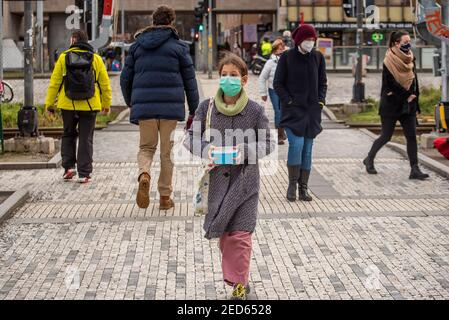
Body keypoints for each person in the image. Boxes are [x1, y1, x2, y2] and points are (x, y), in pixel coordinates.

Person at [184, 53, 274, 300]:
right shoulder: (206, 107)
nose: (228, 79)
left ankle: (239, 285)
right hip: (217, 183)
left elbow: (268, 142)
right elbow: (189, 138)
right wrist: (207, 150)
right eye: (224, 75)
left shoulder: (255, 110)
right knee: (225, 236)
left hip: (245, 182)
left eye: (233, 75)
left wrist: (244, 152)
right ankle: (238, 277)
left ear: (244, 80)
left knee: (241, 234)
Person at [120, 5, 199, 210]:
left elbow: (124, 78)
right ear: (171, 22)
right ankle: (165, 197)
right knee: (167, 153)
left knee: (146, 148)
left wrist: (131, 102)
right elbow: (190, 81)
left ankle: (144, 174)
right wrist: (194, 110)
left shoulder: (137, 47)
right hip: (170, 110)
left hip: (144, 108)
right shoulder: (179, 47)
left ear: (153, 22)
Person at [45, 30, 112, 184]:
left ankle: (68, 168)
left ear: (74, 40)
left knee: (68, 134)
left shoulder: (63, 58)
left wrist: (49, 104)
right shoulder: (96, 59)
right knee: (85, 138)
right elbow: (105, 84)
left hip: (67, 104)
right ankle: (84, 173)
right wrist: (106, 104)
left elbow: (54, 83)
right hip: (90, 105)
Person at [364, 30, 429, 180]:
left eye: (409, 41)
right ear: (396, 44)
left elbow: (414, 81)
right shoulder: (388, 61)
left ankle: (415, 169)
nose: (408, 44)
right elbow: (390, 84)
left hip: (409, 105)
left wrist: (415, 101)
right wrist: (407, 95)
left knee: (411, 137)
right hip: (391, 105)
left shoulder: (411, 58)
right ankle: (369, 158)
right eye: (405, 42)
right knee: (386, 136)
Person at [273, 24, 327, 202]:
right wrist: (288, 100)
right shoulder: (287, 57)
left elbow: (323, 82)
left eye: (313, 39)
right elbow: (278, 83)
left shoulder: (318, 57)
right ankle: (292, 184)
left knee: (308, 149)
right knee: (296, 145)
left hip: (312, 112)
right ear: (299, 40)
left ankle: (304, 188)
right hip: (293, 112)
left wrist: (320, 100)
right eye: (307, 39)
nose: (310, 42)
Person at [258, 39, 287, 145]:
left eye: (283, 48)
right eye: (280, 49)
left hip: (285, 91)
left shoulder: (287, 60)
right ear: (274, 51)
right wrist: (263, 93)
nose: (282, 51)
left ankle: (282, 130)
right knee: (278, 111)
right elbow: (262, 78)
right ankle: (279, 135)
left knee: (285, 111)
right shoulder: (270, 63)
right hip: (273, 90)